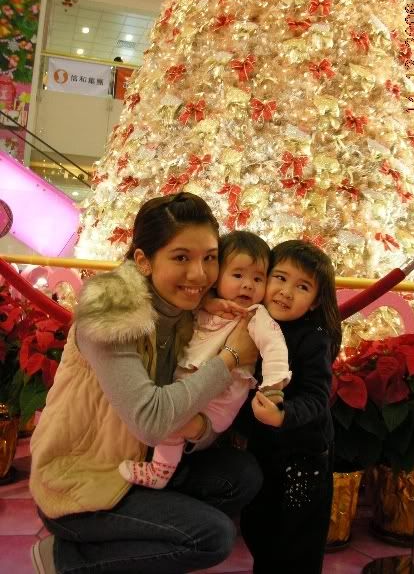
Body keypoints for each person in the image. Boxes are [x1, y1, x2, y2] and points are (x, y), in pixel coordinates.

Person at [29, 192, 263, 574]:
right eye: (181, 258)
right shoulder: (110, 312)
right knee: (211, 537)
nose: (199, 274)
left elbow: (192, 416)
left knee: (241, 476)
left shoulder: (187, 309)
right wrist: (231, 357)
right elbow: (151, 422)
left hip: (141, 463)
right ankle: (66, 558)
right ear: (143, 260)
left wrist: (200, 429)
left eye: (209, 258)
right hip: (81, 479)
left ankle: (131, 546)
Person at [119, 231, 292, 489]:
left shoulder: (255, 316)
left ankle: (159, 472)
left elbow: (275, 347)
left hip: (219, 402)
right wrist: (210, 301)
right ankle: (162, 472)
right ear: (217, 276)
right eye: (238, 275)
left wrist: (273, 387)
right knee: (171, 425)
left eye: (258, 278)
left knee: (172, 425)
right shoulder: (201, 304)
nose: (248, 285)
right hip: (190, 390)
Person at [237, 240, 342, 574]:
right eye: (280, 278)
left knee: (297, 539)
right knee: (259, 526)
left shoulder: (313, 337)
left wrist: (284, 415)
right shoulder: (256, 320)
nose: (286, 291)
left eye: (302, 286)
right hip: (264, 451)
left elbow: (316, 396)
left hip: (303, 457)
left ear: (315, 301)